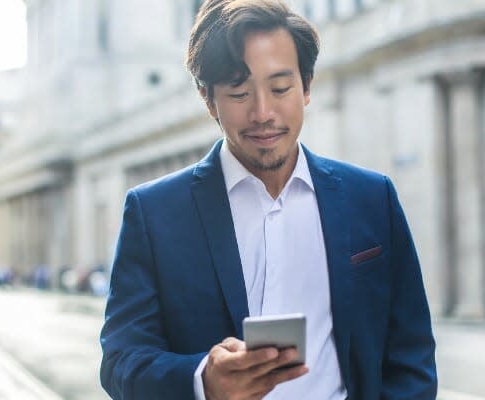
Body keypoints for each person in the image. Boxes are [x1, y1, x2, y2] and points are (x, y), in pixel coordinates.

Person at [99, 1, 437, 399]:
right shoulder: (153, 213)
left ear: (307, 86)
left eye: (280, 88)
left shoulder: (371, 198)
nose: (263, 113)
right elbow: (121, 361)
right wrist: (202, 380)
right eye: (239, 92)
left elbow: (411, 355)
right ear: (209, 100)